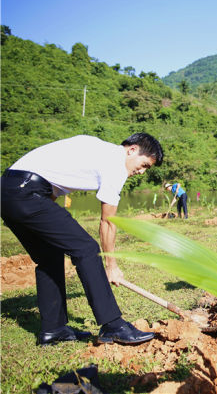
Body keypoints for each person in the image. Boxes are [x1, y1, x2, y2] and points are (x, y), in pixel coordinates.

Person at [1, 133, 164, 345]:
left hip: (8, 191)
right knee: (87, 248)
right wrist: (111, 265)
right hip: (26, 192)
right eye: (143, 165)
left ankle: (54, 329)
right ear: (131, 150)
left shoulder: (96, 150)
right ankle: (113, 325)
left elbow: (51, 188)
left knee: (50, 256)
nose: (141, 172)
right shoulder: (115, 161)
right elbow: (108, 222)